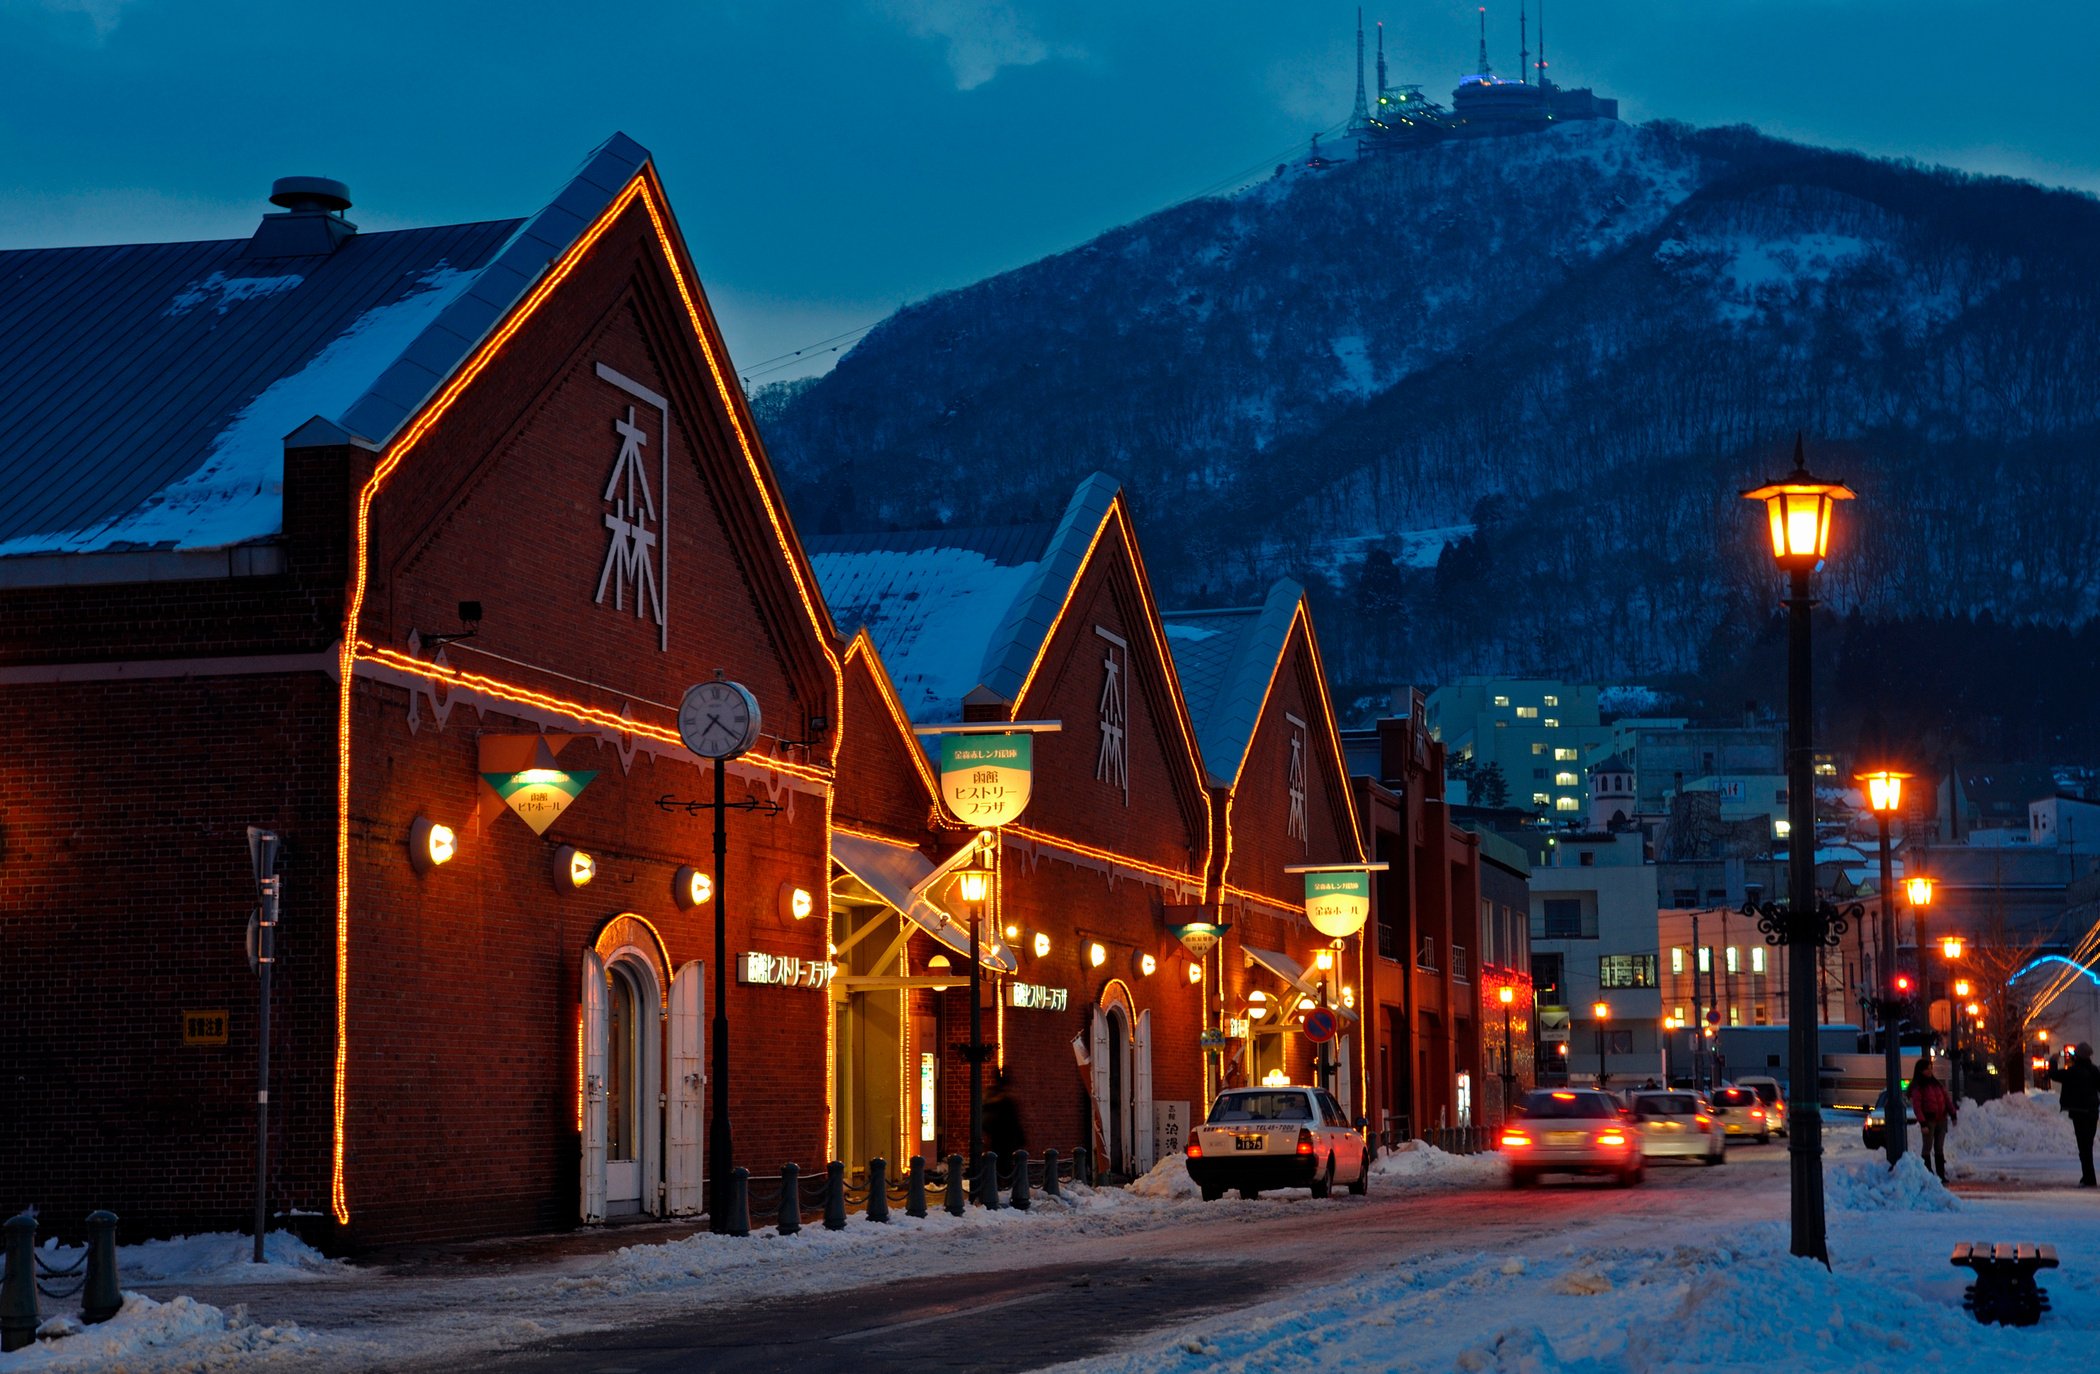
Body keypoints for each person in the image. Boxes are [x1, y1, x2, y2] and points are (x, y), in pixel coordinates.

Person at [2054, 1042, 2100, 1188]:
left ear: (2078, 1056)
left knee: (2083, 1147)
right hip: (2092, 1113)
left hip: (2079, 1113)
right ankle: (2088, 1176)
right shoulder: (2094, 1071)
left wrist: (2052, 1062)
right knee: (2088, 1145)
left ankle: (2089, 1178)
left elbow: (2054, 1075)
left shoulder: (2073, 1072)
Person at [1907, 1057, 1956, 1182]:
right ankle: (1928, 1174)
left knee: (1939, 1147)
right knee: (1927, 1147)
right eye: (1926, 1069)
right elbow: (1917, 1107)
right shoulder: (1918, 1087)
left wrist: (1952, 1113)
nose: (1929, 1071)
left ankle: (1940, 1174)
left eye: (1930, 1068)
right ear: (1920, 1071)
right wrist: (1923, 1123)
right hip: (1929, 1121)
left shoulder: (1936, 1085)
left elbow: (1946, 1100)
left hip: (1941, 1119)